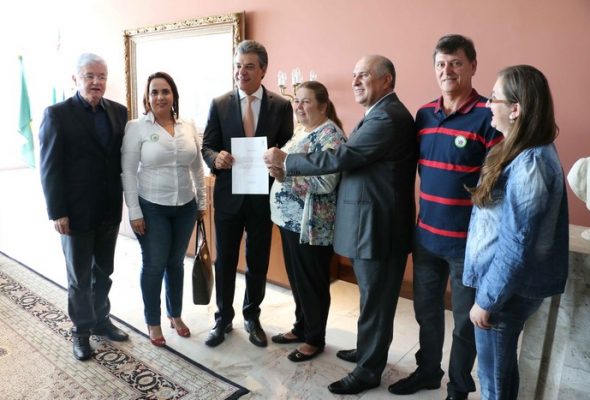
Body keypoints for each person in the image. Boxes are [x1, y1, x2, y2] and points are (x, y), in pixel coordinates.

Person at [264, 55, 417, 395]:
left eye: (364, 75)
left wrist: (288, 162)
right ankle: (367, 351)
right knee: (371, 299)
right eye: (354, 75)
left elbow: (343, 157)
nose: (355, 81)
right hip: (370, 222)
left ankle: (368, 371)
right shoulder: (378, 113)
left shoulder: (388, 117)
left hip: (380, 225)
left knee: (376, 303)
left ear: (387, 80)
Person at [388, 35, 503, 400]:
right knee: (426, 312)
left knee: (465, 323)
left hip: (468, 244)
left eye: (455, 63)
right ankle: (427, 372)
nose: (447, 70)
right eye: (441, 64)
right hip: (427, 238)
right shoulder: (424, 114)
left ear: (472, 66)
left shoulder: (489, 116)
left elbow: (498, 185)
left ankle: (459, 387)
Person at [464, 65, 569, 400]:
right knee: (501, 371)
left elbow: (516, 243)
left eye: (493, 97)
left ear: (515, 109)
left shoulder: (531, 163)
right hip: (502, 286)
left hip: (504, 293)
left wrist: (487, 300)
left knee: (493, 381)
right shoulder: (519, 150)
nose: (487, 104)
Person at [201, 40, 293, 348]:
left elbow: (288, 146)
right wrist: (216, 158)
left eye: (249, 66)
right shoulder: (219, 103)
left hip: (262, 198)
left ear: (263, 70)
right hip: (228, 196)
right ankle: (222, 319)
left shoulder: (281, 106)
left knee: (258, 260)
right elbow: (207, 146)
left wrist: (279, 157)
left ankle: (252, 316)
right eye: (238, 66)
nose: (241, 72)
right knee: (225, 260)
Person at [39, 53, 129, 361]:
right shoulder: (57, 114)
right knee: (79, 277)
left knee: (104, 271)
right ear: (75, 79)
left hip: (109, 209)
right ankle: (81, 331)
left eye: (101, 76)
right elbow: (49, 167)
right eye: (89, 76)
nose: (96, 82)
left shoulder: (119, 112)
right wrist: (57, 211)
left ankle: (102, 320)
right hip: (75, 212)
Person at [121, 72, 206, 347]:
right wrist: (134, 211)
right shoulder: (137, 127)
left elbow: (197, 167)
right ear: (147, 97)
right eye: (154, 92)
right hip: (152, 206)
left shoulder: (187, 125)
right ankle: (153, 321)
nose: (160, 97)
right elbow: (128, 172)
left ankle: (175, 314)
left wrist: (202, 201)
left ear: (173, 96)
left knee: (176, 263)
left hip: (185, 207)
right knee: (154, 264)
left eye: (165, 91)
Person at [269, 81, 346, 362]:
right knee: (298, 280)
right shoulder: (302, 130)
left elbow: (326, 182)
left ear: (323, 105)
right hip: (289, 222)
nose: (298, 106)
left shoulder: (331, 136)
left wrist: (284, 175)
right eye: (297, 101)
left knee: (312, 283)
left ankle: (314, 339)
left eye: (306, 101)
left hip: (310, 226)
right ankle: (301, 327)